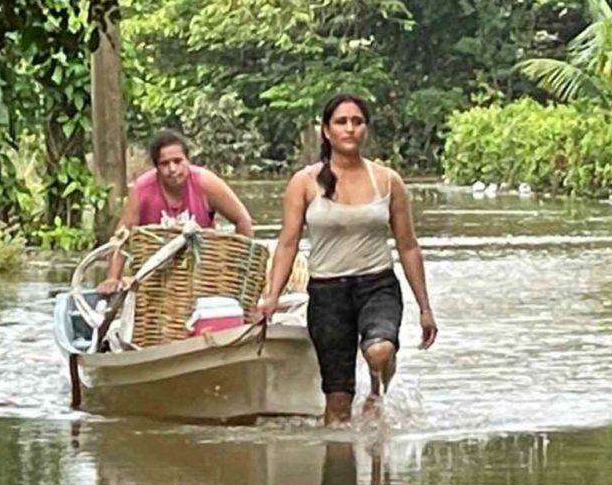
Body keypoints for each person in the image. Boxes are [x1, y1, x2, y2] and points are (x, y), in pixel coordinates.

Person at [254, 91, 438, 423]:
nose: (350, 128)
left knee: (380, 350)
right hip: (327, 294)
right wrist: (271, 296)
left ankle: (377, 393)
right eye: (341, 122)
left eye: (357, 122)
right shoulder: (304, 183)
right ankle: (339, 467)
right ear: (326, 131)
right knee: (337, 407)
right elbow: (287, 243)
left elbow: (408, 246)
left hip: (377, 286)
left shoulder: (387, 180)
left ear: (365, 129)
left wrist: (425, 307)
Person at [104, 131, 253, 287]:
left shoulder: (206, 183)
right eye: (165, 163)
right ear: (156, 167)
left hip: (201, 271)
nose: (173, 169)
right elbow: (122, 237)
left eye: (178, 161)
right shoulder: (142, 190)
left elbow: (243, 220)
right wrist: (113, 278)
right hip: (155, 275)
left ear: (188, 161)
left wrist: (240, 269)